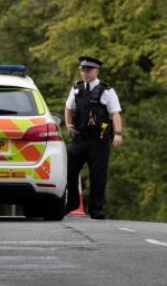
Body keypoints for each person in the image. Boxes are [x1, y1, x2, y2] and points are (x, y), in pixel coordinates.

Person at [64, 56, 122, 219]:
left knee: (98, 174)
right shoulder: (76, 88)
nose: (85, 73)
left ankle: (96, 208)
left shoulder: (106, 90)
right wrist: (68, 125)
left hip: (99, 140)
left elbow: (115, 113)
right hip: (80, 138)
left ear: (97, 71)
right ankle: (72, 202)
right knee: (68, 168)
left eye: (89, 70)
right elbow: (68, 107)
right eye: (83, 70)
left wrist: (117, 133)